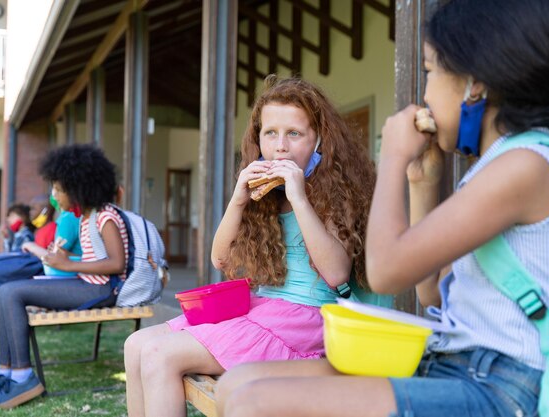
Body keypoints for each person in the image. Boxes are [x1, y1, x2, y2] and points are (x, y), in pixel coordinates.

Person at [215, 1, 549, 416]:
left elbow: (384, 272)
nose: (426, 92)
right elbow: (430, 291)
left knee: (255, 402)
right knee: (239, 382)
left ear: (474, 86)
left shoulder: (525, 165)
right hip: (460, 365)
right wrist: (423, 184)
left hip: (511, 386)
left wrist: (392, 158)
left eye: (431, 72)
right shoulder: (500, 163)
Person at [123, 75, 376, 417]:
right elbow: (220, 258)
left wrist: (299, 197)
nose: (280, 146)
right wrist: (238, 200)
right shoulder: (262, 196)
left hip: (309, 321)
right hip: (263, 310)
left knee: (160, 354)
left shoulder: (333, 193)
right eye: (270, 133)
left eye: (294, 134)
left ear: (319, 141)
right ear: (258, 139)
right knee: (137, 343)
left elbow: (335, 274)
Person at [0, 144, 128, 409]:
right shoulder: (86, 217)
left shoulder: (105, 216)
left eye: (58, 189)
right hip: (87, 284)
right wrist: (63, 262)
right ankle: (7, 373)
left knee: (12, 292)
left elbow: (117, 263)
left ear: (78, 188)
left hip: (103, 290)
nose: (53, 195)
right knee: (6, 290)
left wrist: (68, 265)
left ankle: (23, 377)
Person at [0, 195, 81, 342]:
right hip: (33, 266)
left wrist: (32, 247)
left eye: (34, 208)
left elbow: (51, 257)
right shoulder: (39, 231)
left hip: (38, 270)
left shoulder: (54, 227)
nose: (31, 212)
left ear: (46, 210)